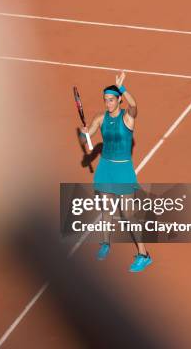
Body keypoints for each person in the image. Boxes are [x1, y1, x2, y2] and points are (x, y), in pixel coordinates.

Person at [80, 71, 151, 272]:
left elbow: (135, 105)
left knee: (128, 214)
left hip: (123, 170)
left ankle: (144, 254)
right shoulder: (100, 118)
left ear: (119, 100)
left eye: (111, 100)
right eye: (106, 100)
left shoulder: (128, 118)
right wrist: (85, 135)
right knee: (106, 208)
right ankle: (105, 243)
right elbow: (89, 135)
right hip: (105, 167)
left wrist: (122, 87)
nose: (108, 103)